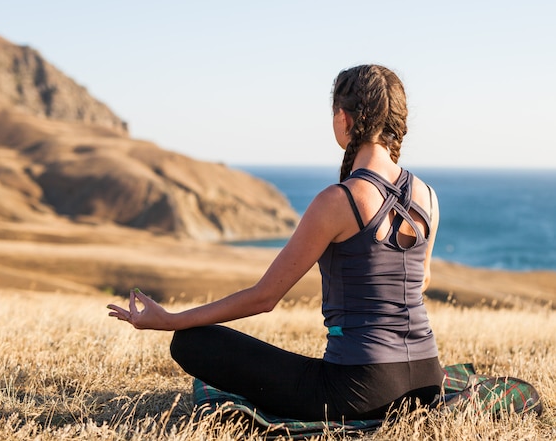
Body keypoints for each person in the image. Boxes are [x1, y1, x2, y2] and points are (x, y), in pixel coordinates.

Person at [107, 64, 444, 422]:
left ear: (343, 118)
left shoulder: (338, 200)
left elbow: (264, 297)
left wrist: (173, 319)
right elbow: (420, 281)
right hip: (428, 381)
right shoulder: (427, 196)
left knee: (192, 343)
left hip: (359, 388)